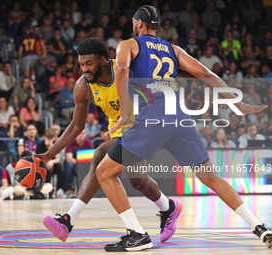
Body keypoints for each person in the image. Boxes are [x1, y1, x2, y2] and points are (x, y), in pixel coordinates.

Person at [91, 5, 271, 251]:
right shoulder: (173, 49)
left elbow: (121, 70)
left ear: (141, 24)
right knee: (210, 177)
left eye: (134, 22)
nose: (132, 25)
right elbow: (206, 73)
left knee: (104, 172)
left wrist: (124, 113)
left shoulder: (129, 45)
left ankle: (137, 234)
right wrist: (237, 102)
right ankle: (259, 226)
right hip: (179, 117)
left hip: (152, 118)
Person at [37, 38, 184, 244]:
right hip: (119, 130)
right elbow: (76, 126)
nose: (84, 69)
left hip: (144, 125)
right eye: (81, 64)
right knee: (138, 180)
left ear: (104, 60)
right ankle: (169, 207)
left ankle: (69, 221)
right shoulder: (83, 86)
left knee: (99, 157)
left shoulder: (127, 70)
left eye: (89, 63)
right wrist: (50, 153)